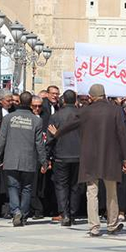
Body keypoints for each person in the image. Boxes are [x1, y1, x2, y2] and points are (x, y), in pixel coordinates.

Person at [47, 83, 126, 237]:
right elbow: (122, 135)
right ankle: (112, 225)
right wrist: (125, 158)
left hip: (90, 158)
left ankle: (94, 227)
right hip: (110, 158)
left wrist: (57, 133)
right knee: (112, 192)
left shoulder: (86, 111)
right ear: (104, 95)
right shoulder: (115, 110)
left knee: (92, 192)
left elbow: (70, 125)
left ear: (91, 97)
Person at [0, 91, 48, 227]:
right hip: (28, 159)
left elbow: (2, 139)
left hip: (11, 158)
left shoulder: (9, 118)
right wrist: (44, 161)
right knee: (27, 188)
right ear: (31, 103)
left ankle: (16, 210)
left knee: (12, 186)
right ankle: (23, 214)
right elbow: (39, 143)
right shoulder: (36, 120)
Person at [47, 89, 82, 226]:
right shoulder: (82, 115)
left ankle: (65, 214)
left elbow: (50, 138)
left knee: (61, 185)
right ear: (75, 100)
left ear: (63, 100)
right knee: (75, 186)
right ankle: (72, 213)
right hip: (78, 156)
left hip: (61, 155)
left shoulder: (56, 116)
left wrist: (47, 156)